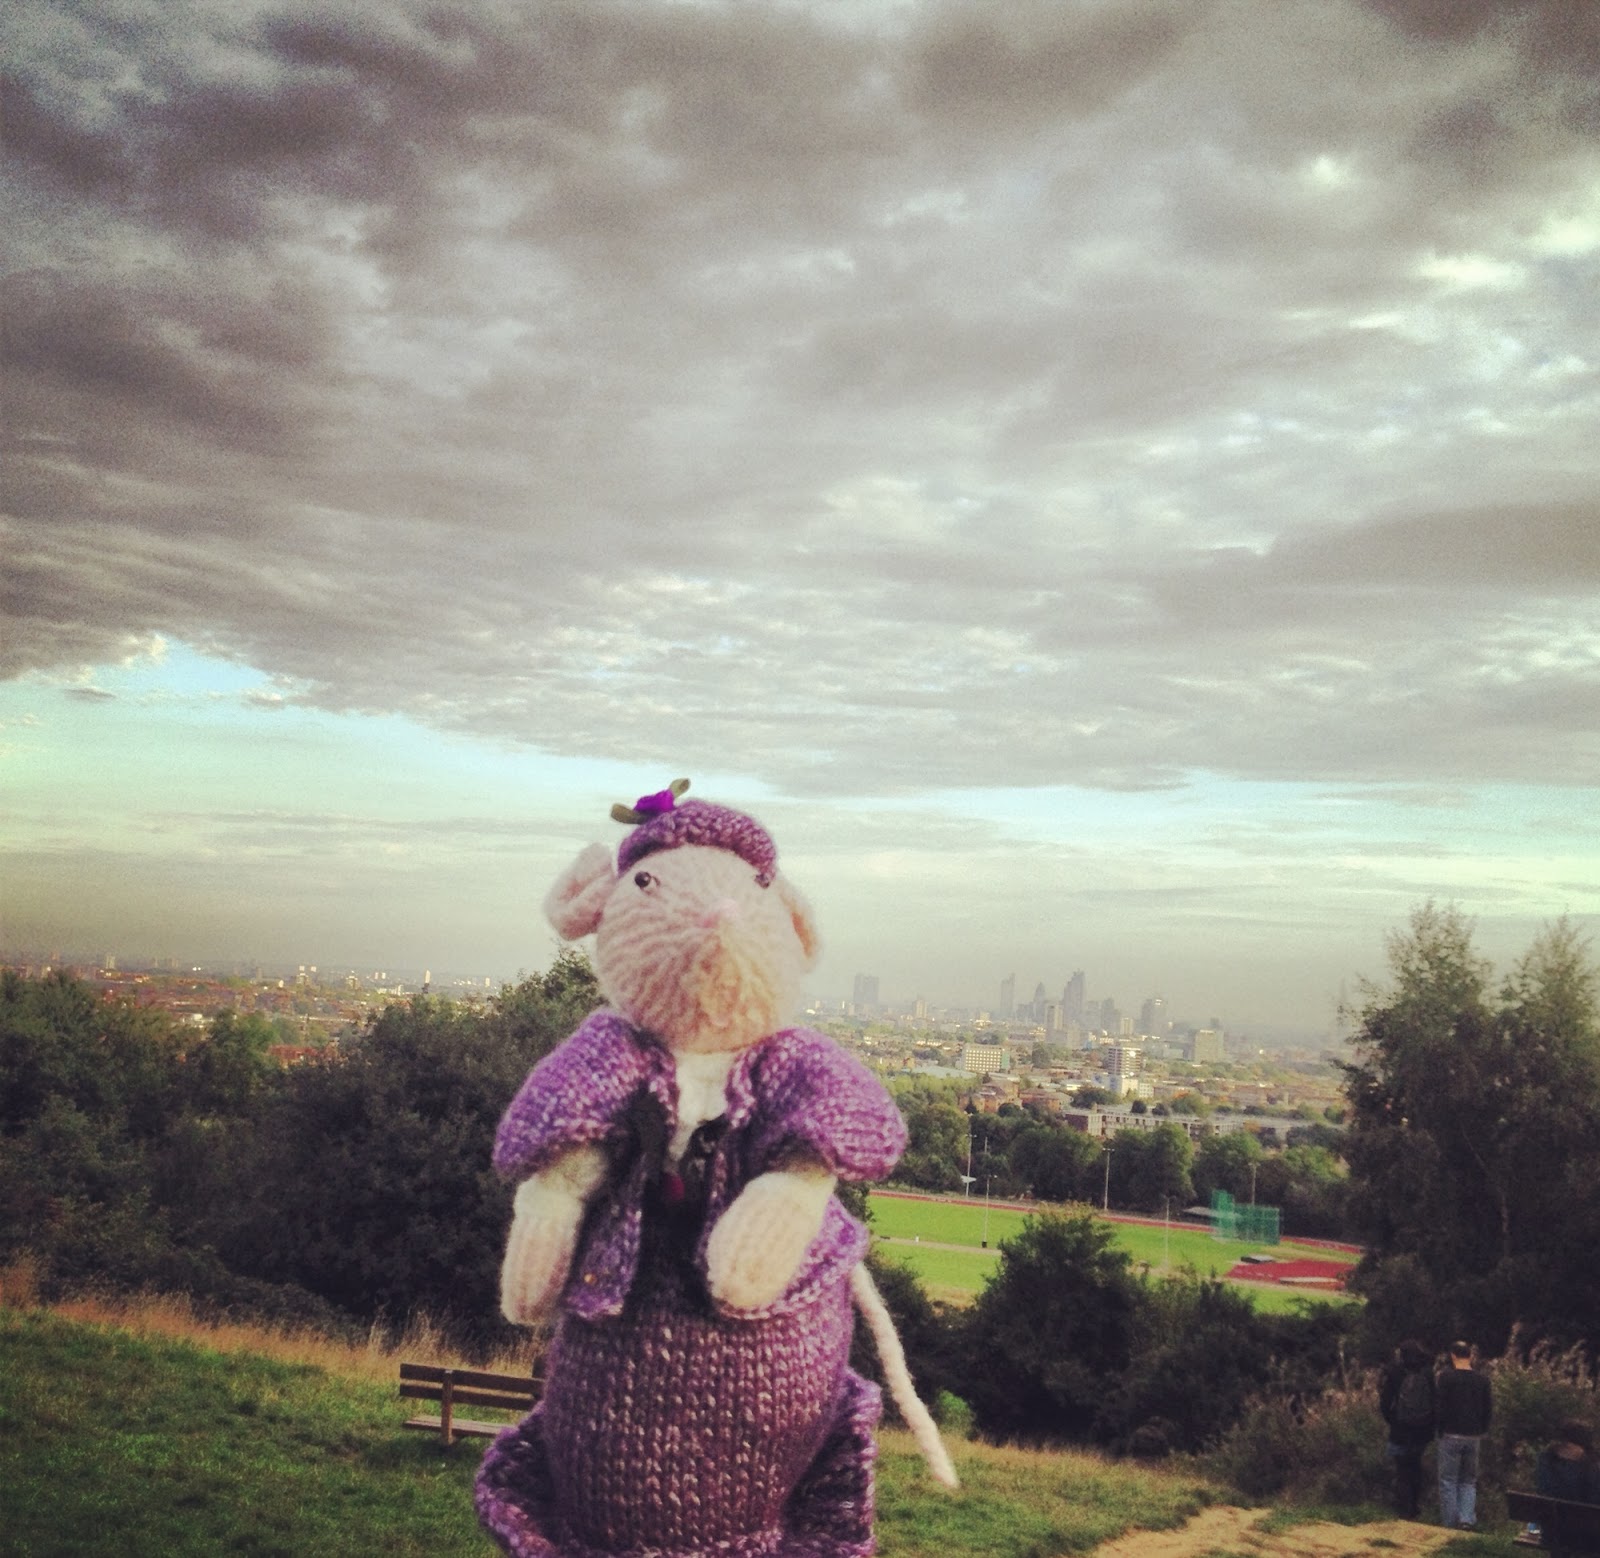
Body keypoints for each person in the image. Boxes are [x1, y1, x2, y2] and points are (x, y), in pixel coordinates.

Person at [1435, 1339, 1493, 1530]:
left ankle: (1450, 1522)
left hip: (1451, 1434)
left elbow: (1440, 1406)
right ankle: (1466, 1519)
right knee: (1468, 1480)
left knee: (1448, 1480)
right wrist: (1483, 1429)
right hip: (1473, 1435)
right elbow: (1488, 1409)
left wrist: (1439, 1428)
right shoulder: (1482, 1380)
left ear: (1453, 1355)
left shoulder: (1446, 1377)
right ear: (1470, 1356)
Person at [1379, 1339, 1437, 1518]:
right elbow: (1434, 1401)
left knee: (1402, 1469)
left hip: (1400, 1429)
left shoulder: (1395, 1373)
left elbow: (1385, 1402)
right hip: (1422, 1430)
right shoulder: (1428, 1373)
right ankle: (1415, 1507)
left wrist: (1393, 1420)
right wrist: (1430, 1423)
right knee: (1416, 1466)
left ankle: (1404, 1509)